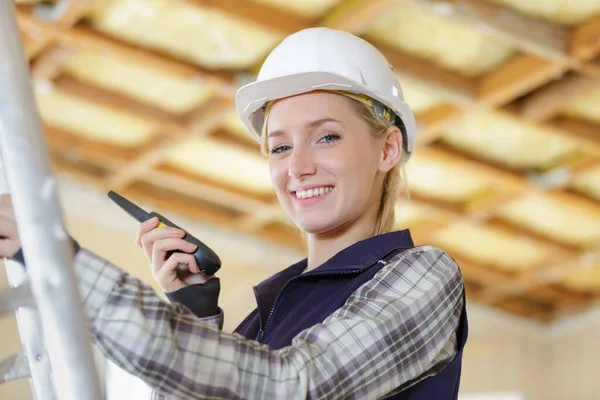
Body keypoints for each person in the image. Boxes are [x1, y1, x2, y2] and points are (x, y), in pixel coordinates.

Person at [0, 27, 467, 399]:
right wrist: (194, 313)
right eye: (280, 147)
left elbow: (294, 387)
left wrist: (61, 262)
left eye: (326, 137)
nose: (298, 167)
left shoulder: (424, 275)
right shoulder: (268, 316)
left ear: (387, 148)